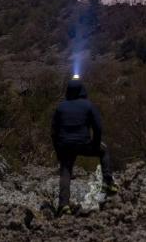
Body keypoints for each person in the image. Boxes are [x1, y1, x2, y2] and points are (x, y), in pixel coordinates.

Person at [51, 78, 117, 216]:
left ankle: (63, 205)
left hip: (65, 146)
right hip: (83, 143)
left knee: (65, 171)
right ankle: (108, 182)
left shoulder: (60, 107)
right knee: (103, 151)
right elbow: (98, 127)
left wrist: (58, 150)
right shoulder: (88, 105)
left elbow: (53, 131)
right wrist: (95, 142)